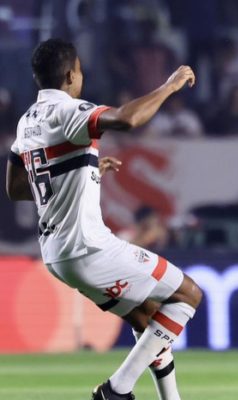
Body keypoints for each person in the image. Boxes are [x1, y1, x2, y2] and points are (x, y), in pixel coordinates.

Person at [5, 38, 202, 400]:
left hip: (56, 256)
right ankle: (117, 389)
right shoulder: (69, 111)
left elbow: (16, 187)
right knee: (188, 294)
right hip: (88, 247)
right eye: (79, 69)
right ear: (70, 74)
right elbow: (128, 119)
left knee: (148, 319)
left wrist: (85, 170)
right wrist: (170, 85)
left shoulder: (26, 123)